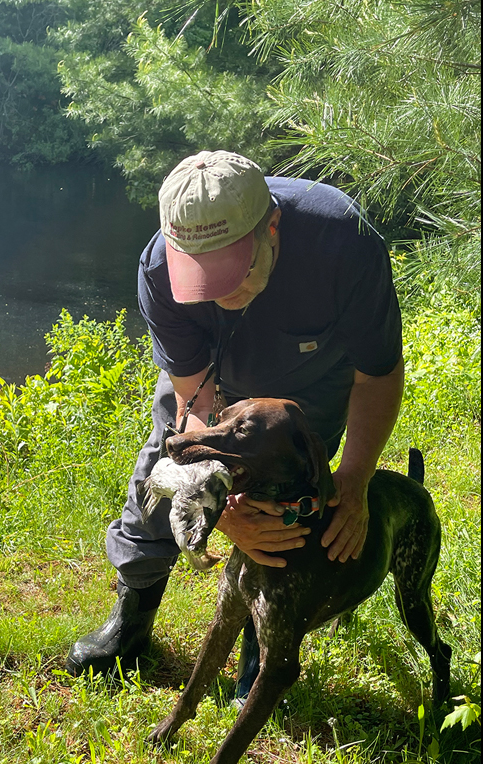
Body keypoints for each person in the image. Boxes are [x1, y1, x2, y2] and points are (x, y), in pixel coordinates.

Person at [65, 150, 404, 695]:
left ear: (271, 226)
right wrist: (219, 509)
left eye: (233, 273)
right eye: (201, 279)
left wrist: (358, 476)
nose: (220, 295)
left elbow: (377, 376)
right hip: (213, 388)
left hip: (311, 386)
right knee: (163, 467)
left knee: (289, 504)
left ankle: (263, 642)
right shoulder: (157, 269)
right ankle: (132, 616)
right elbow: (193, 408)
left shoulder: (343, 241)